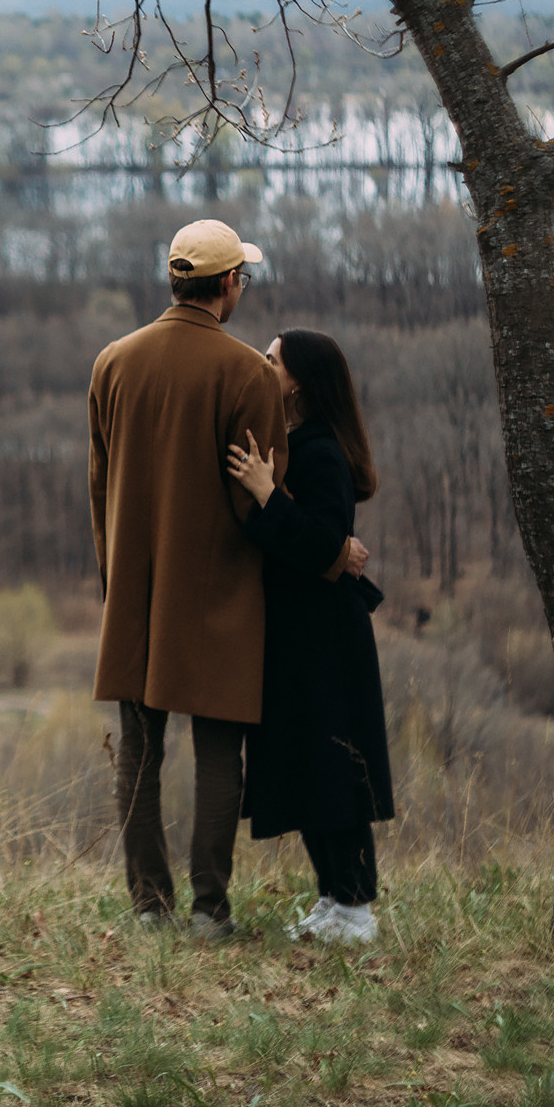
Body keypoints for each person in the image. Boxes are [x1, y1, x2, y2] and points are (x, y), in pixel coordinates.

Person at [88, 218, 287, 939]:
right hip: (220, 594)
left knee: (139, 751)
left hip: (134, 592)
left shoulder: (113, 361)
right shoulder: (249, 374)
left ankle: (149, 908)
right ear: (229, 284)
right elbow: (259, 495)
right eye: (245, 277)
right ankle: (210, 910)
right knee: (217, 754)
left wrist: (114, 579)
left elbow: (99, 482)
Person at [225, 328, 395, 946]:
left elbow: (323, 545)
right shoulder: (303, 443)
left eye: (272, 360)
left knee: (332, 769)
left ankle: (356, 909)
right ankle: (332, 898)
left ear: (296, 379)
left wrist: (267, 494)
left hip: (326, 642)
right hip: (305, 638)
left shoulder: (321, 452)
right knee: (309, 767)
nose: (263, 365)